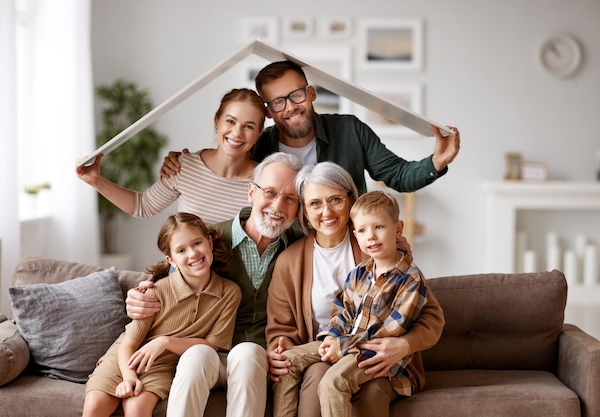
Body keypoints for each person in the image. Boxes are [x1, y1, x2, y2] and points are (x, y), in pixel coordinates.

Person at [125, 152, 303, 417]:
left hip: (258, 359)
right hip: (208, 351)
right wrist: (139, 293)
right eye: (270, 192)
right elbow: (173, 272)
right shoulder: (211, 240)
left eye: (290, 198)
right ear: (251, 192)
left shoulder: (299, 249)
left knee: (247, 353)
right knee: (196, 355)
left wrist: (289, 343)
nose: (278, 206)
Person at [266, 162, 444, 417]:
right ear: (304, 211)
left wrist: (404, 345)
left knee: (365, 389)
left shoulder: (379, 248)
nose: (326, 211)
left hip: (379, 350)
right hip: (324, 348)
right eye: (315, 203)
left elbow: (431, 317)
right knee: (316, 378)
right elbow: (279, 328)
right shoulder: (290, 261)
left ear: (350, 199)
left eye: (335, 200)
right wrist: (281, 347)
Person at [159, 60, 461, 195]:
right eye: (278, 102)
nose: (290, 107)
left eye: (296, 95)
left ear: (311, 93)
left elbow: (397, 175)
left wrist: (436, 162)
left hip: (345, 244)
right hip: (284, 255)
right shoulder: (259, 146)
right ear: (267, 112)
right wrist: (183, 163)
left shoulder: (350, 130)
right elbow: (222, 168)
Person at [81, 212, 242, 417]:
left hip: (162, 367)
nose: (192, 254)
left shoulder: (229, 293)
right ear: (171, 260)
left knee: (137, 410)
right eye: (181, 250)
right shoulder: (155, 292)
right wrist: (129, 377)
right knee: (95, 406)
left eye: (197, 243)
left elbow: (211, 345)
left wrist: (165, 342)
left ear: (210, 243)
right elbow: (127, 345)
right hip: (125, 359)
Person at [76, 88, 266, 225]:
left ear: (259, 133)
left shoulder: (263, 181)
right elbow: (143, 206)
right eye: (230, 121)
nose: (237, 133)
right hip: (183, 274)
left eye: (248, 126)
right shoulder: (185, 166)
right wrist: (96, 181)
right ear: (217, 121)